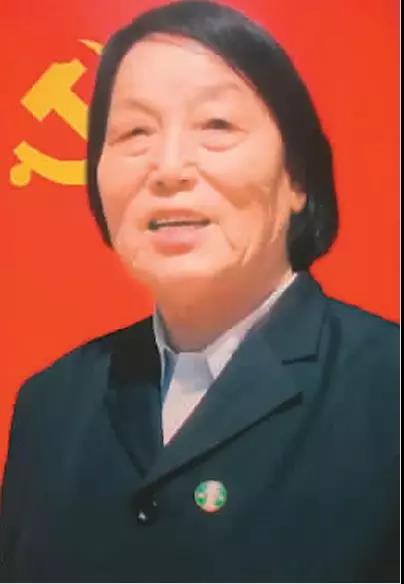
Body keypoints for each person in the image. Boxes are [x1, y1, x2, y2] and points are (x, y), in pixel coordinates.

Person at [0, 1, 399, 582]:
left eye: (216, 126)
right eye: (134, 132)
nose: (168, 168)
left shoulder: (387, 388)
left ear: (297, 178)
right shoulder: (52, 403)